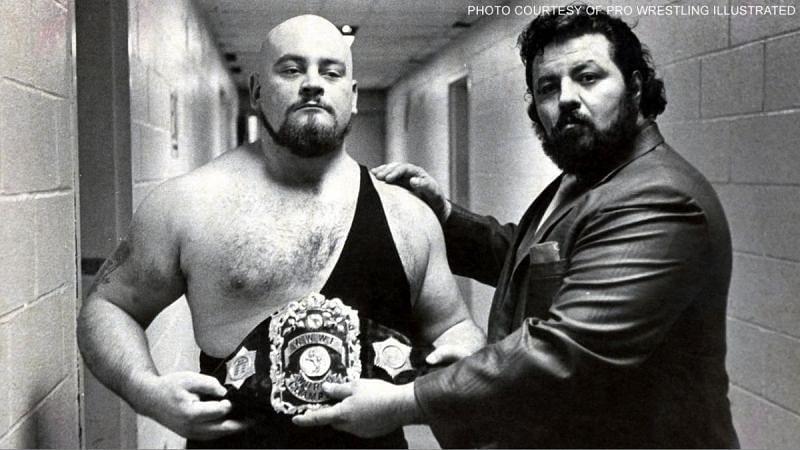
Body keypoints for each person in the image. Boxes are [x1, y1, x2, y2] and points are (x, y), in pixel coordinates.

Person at [293, 6, 740, 448]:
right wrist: (444, 216)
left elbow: (564, 351)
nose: (566, 98)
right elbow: (532, 261)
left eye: (588, 77)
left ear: (636, 86)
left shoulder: (657, 199)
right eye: (548, 87)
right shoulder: (586, 176)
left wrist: (408, 400)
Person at [76, 14, 484, 449]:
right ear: (256, 91)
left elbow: (454, 327)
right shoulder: (187, 204)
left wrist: (460, 356)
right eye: (291, 70)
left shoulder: (408, 215)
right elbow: (109, 306)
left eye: (331, 72)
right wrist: (146, 392)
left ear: (353, 95)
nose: (312, 84)